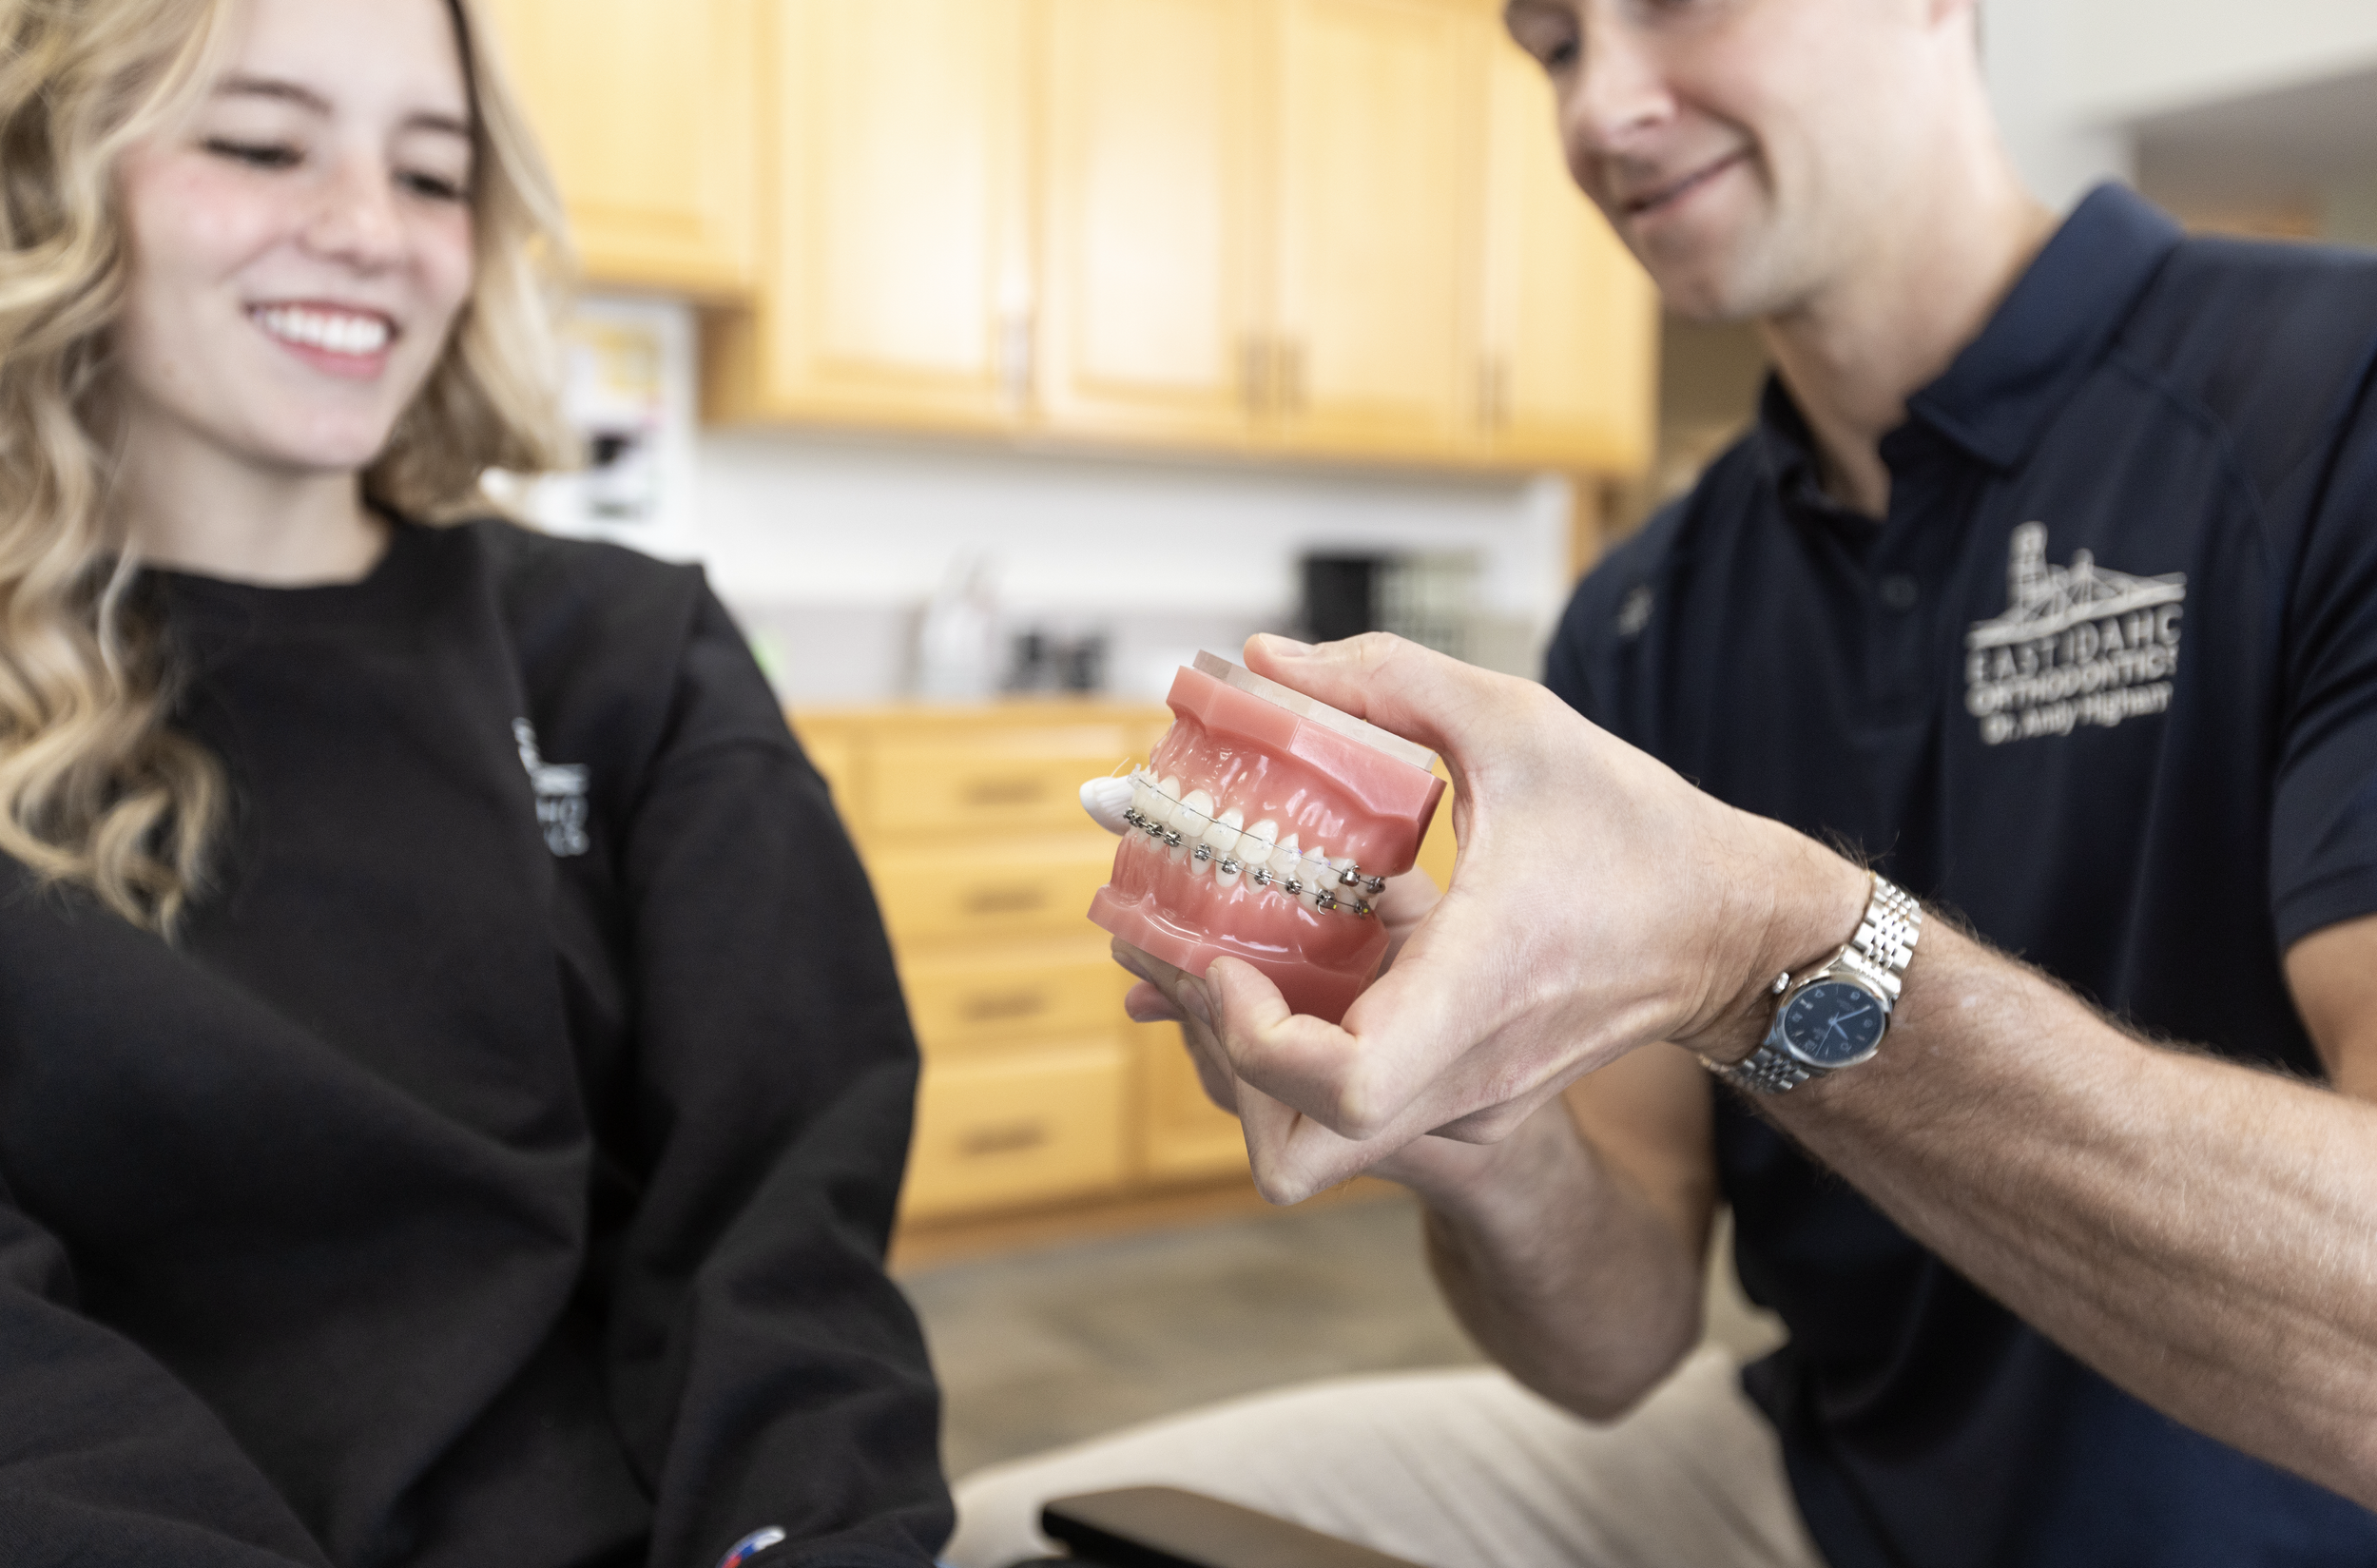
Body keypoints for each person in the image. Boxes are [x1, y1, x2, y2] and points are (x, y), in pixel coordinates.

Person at [948, 0, 2377, 1564]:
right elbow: (1612, 1345)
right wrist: (1468, 1130)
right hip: (1810, 1493)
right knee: (995, 1535)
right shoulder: (1647, 609)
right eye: (1552, 43)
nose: (1598, 109)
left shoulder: (2335, 403)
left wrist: (1776, 950)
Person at [0, 2, 948, 1564]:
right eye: (259, 144)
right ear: (52, 181)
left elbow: (781, 1245)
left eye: (434, 175)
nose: (372, 231)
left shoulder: (634, 664)